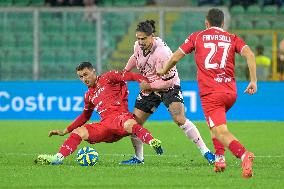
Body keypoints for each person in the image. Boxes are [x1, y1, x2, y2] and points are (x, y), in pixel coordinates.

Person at [157, 8, 257, 178]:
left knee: (220, 131)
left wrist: (162, 70)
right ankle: (219, 158)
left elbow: (174, 58)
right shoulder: (232, 38)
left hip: (212, 92)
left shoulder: (197, 36)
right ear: (223, 23)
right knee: (215, 125)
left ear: (206, 22)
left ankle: (243, 155)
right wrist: (253, 80)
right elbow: (250, 54)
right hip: (230, 92)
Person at [120, 20, 215, 165]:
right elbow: (135, 57)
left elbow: (168, 82)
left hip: (168, 88)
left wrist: (149, 86)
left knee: (179, 119)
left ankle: (206, 152)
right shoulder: (137, 46)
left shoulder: (163, 53)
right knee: (135, 123)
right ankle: (139, 158)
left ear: (152, 36)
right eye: (138, 38)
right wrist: (125, 72)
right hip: (150, 87)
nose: (140, 42)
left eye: (143, 38)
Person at [35, 62, 163, 165]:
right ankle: (58, 158)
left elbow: (131, 76)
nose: (84, 79)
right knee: (79, 132)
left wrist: (148, 83)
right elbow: (85, 116)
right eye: (81, 77)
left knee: (130, 124)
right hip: (105, 126)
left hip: (120, 118)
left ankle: (152, 141)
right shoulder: (88, 95)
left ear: (93, 71)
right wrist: (65, 131)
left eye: (86, 74)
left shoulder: (109, 77)